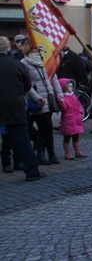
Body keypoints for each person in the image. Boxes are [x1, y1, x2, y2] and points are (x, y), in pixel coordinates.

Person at [0, 37, 45, 181]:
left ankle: (9, 163)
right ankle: (31, 171)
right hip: (14, 106)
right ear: (8, 48)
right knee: (22, 140)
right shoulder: (17, 65)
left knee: (15, 138)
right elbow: (27, 86)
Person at [21, 41, 64, 165]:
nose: (37, 49)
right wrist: (36, 98)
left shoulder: (46, 61)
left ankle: (48, 153)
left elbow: (53, 78)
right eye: (34, 47)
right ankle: (43, 153)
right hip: (37, 100)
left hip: (49, 98)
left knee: (45, 128)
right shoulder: (24, 63)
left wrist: (59, 94)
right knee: (45, 127)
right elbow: (26, 85)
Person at [58, 78, 87, 160]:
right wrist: (61, 102)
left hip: (76, 119)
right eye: (69, 86)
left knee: (76, 136)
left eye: (71, 86)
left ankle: (78, 151)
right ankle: (67, 153)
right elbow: (64, 108)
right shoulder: (63, 98)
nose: (71, 88)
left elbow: (79, 105)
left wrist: (81, 112)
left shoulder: (73, 96)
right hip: (68, 120)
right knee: (67, 137)